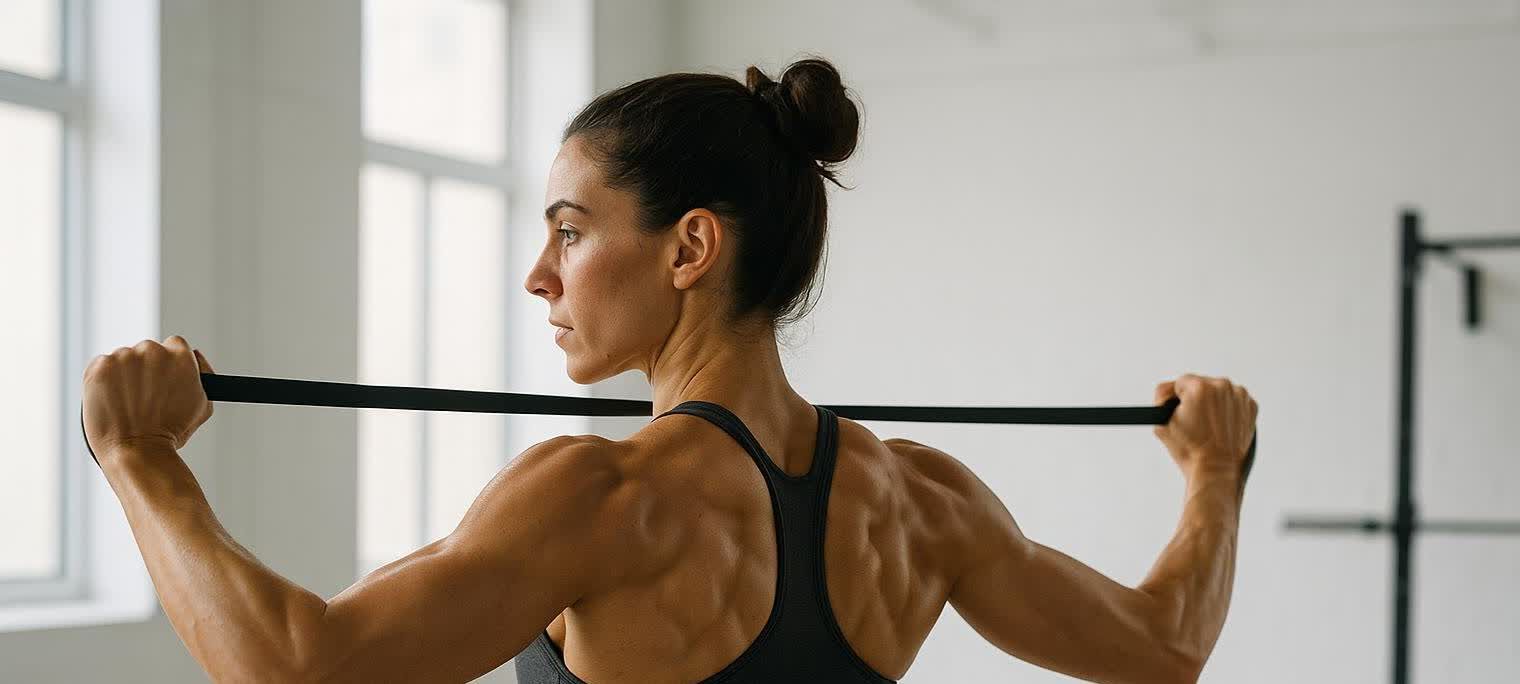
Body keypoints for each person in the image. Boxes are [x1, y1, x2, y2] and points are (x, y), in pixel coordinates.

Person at [81, 57, 1257, 683]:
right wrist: (1214, 472)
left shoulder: (602, 499)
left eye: (570, 230)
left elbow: (301, 669)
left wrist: (139, 460)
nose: (540, 275)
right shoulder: (924, 502)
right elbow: (1162, 650)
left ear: (691, 247)